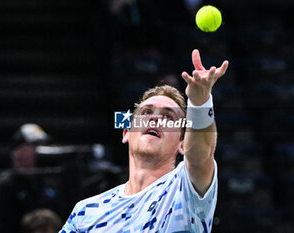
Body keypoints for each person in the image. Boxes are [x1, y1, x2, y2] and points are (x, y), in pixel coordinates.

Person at [59, 49, 229, 232]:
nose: (155, 119)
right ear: (126, 133)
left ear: (182, 144)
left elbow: (201, 155)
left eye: (168, 117)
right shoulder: (86, 212)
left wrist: (201, 102)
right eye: (146, 112)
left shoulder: (185, 189)